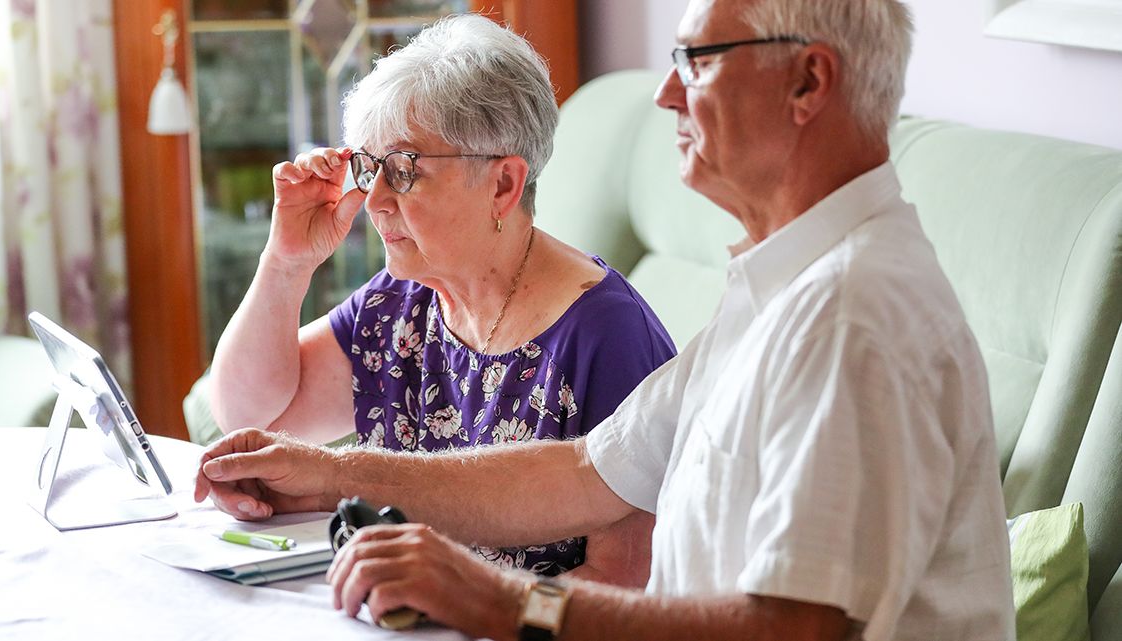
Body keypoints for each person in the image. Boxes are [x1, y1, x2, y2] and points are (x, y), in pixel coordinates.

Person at [196, 1, 1016, 639]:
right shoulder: (781, 285)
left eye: (697, 62)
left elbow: (793, 628)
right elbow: (587, 472)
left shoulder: (851, 315)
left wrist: (498, 601)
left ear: (808, 83)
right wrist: (333, 473)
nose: (665, 94)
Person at [205, 13, 675, 583]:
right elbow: (249, 414)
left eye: (403, 170)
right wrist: (286, 263)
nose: (374, 200)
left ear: (502, 184)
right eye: (369, 167)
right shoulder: (402, 302)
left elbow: (625, 582)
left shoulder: (607, 336)